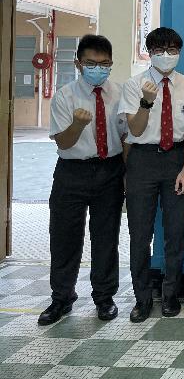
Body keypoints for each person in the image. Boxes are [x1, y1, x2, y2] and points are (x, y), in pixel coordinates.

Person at [38, 34, 127, 325]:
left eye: (104, 64)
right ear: (78, 64)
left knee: (106, 237)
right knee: (64, 237)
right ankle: (62, 297)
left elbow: (126, 138)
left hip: (110, 170)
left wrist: (126, 175)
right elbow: (63, 142)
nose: (98, 69)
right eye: (91, 63)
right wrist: (77, 124)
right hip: (72, 172)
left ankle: (104, 297)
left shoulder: (120, 93)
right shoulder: (65, 96)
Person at [120, 27, 184, 322]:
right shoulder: (134, 85)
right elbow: (135, 129)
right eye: (160, 51)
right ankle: (142, 298)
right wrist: (146, 102)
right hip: (142, 159)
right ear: (150, 53)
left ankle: (170, 295)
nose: (166, 56)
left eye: (172, 50)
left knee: (176, 233)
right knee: (140, 234)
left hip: (176, 159)